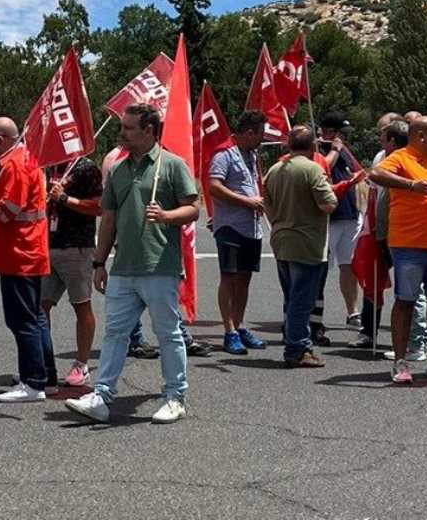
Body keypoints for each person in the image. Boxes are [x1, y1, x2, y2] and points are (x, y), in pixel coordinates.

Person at [65, 103, 199, 425]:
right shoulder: (120, 169)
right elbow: (108, 218)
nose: (121, 132)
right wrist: (99, 262)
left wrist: (167, 216)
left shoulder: (172, 165)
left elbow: (193, 209)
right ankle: (102, 396)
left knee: (168, 334)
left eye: (128, 127)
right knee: (115, 333)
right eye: (122, 126)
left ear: (148, 130)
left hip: (159, 266)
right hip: (124, 268)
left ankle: (174, 397)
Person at [369, 115, 427, 384]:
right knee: (406, 301)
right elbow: (374, 173)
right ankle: (401, 362)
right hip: (409, 244)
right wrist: (411, 185)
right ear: (421, 135)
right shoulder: (401, 157)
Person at [0, 117, 56, 402]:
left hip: (20, 254)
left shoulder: (14, 164)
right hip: (29, 251)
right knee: (35, 318)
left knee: (22, 320)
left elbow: (7, 211)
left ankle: (33, 382)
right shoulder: (27, 157)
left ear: (0, 139)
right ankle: (44, 376)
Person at [263, 126, 338, 368]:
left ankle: (298, 342)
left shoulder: (274, 170)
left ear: (288, 145)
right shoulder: (312, 169)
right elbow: (329, 204)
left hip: (281, 237)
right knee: (301, 299)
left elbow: (268, 205)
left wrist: (280, 221)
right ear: (313, 147)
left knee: (291, 296)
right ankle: (296, 349)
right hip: (306, 241)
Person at [207, 110, 268, 354]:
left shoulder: (252, 155)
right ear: (249, 132)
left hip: (252, 228)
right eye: (260, 134)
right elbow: (214, 187)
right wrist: (246, 201)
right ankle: (229, 330)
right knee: (229, 278)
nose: (262, 139)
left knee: (245, 279)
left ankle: (240, 325)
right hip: (230, 227)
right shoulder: (225, 153)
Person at [43, 156, 103, 387]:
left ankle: (81, 364)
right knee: (40, 308)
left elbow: (99, 207)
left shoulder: (86, 166)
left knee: (81, 305)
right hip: (50, 245)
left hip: (77, 247)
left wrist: (66, 199)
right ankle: (43, 364)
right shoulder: (52, 164)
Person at [348, 114, 404, 350]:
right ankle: (368, 332)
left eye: (382, 132)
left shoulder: (408, 159)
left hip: (401, 230)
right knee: (373, 279)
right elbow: (374, 192)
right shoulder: (381, 156)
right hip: (379, 230)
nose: (379, 136)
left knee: (408, 288)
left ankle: (413, 339)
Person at [317, 112, 365, 332]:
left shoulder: (343, 149)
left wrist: (342, 148)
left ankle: (352, 311)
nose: (344, 137)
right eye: (341, 133)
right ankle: (315, 313)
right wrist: (334, 149)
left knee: (349, 266)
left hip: (349, 214)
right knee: (321, 267)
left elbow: (358, 172)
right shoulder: (317, 150)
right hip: (329, 217)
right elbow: (321, 169)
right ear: (329, 132)